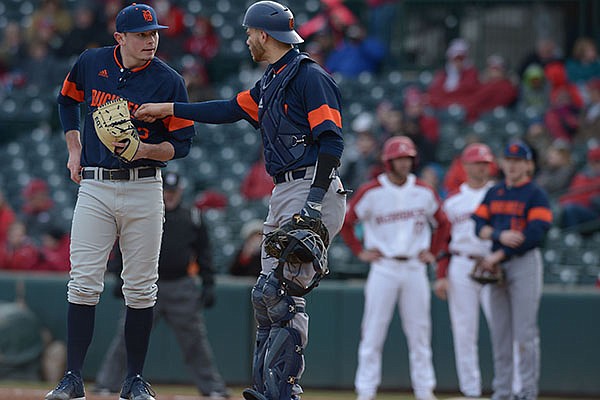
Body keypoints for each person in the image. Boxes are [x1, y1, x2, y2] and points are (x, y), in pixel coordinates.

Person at [134, 2, 347, 400]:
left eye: (250, 32)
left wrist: (313, 203)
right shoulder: (272, 79)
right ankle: (266, 390)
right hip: (284, 189)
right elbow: (229, 109)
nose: (247, 39)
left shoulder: (308, 76)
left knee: (283, 295)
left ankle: (284, 391)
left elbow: (332, 141)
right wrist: (170, 109)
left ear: (264, 35)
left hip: (309, 187)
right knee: (266, 295)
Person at [46, 3, 195, 400]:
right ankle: (72, 377)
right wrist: (73, 149)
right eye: (142, 35)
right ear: (121, 38)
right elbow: (66, 101)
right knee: (83, 283)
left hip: (145, 186)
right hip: (95, 184)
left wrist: (143, 149)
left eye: (154, 34)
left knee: (142, 288)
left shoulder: (169, 81)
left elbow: (181, 146)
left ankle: (134, 380)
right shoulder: (92, 62)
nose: (151, 41)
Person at [93, 172, 230, 398]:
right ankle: (106, 385)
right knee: (127, 337)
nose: (169, 196)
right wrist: (119, 276)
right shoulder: (145, 212)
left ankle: (213, 388)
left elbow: (204, 253)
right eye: (166, 191)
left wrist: (208, 283)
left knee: (195, 341)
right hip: (146, 282)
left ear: (181, 193)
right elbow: (123, 245)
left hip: (180, 286)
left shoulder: (192, 217)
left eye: (173, 192)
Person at [339, 136, 450, 400]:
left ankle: (425, 391)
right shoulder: (372, 191)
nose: (405, 162)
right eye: (400, 158)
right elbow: (346, 222)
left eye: (408, 158)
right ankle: (365, 391)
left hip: (414, 267)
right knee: (373, 331)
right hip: (384, 266)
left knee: (420, 333)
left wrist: (433, 252)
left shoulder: (423, 190)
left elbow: (443, 223)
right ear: (388, 161)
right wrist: (359, 251)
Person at [472, 140, 553, 400]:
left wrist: (498, 252)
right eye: (509, 160)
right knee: (500, 335)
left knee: (525, 334)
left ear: (528, 165)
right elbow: (478, 226)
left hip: (523, 263)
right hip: (498, 264)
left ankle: (527, 391)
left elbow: (534, 235)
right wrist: (499, 235)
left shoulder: (536, 194)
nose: (512, 165)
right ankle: (503, 391)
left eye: (518, 161)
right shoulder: (495, 192)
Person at [433, 143, 496, 398]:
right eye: (477, 163)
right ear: (466, 166)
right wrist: (441, 275)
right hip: (461, 263)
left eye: (485, 163)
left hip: (494, 264)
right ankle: (471, 391)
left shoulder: (499, 193)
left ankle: (512, 388)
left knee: (503, 329)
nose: (481, 167)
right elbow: (443, 242)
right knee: (463, 331)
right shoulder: (453, 200)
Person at [558, 147, 600, 230]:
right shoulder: (580, 177)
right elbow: (571, 194)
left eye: (597, 162)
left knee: (571, 209)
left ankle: (573, 237)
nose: (594, 165)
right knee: (557, 209)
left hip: (594, 213)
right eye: (593, 162)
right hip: (577, 208)